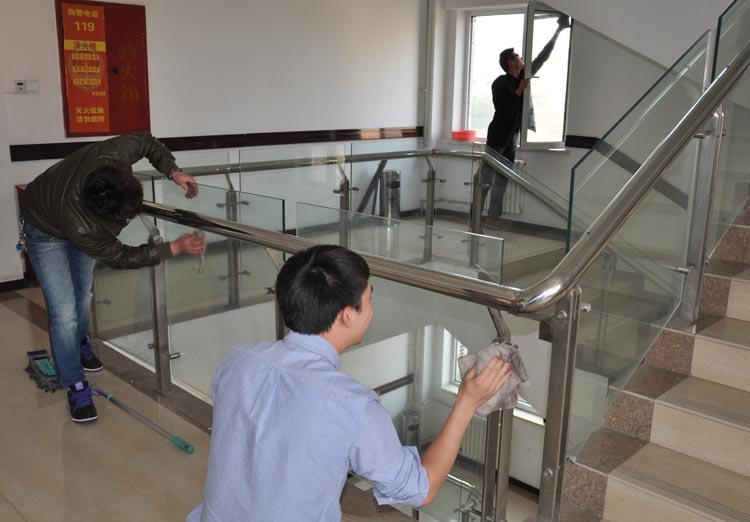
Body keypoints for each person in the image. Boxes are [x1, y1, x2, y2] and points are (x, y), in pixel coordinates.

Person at [187, 245, 512, 522]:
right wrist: (466, 402)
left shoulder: (238, 359)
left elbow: (267, 430)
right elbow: (420, 489)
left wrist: (352, 418)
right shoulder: (352, 406)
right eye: (369, 299)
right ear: (347, 315)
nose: (372, 310)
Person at [20, 131, 206, 423]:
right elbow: (121, 257)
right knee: (64, 311)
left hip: (66, 209)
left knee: (83, 295)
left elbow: (146, 141)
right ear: (102, 215)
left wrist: (173, 171)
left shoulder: (113, 155)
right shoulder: (84, 227)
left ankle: (78, 341)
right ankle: (75, 383)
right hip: (44, 229)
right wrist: (173, 248)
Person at [482, 15, 570, 225]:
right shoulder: (500, 82)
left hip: (512, 137)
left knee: (502, 179)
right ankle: (475, 219)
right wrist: (519, 92)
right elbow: (502, 109)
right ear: (510, 62)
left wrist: (558, 31)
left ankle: (493, 218)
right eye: (518, 56)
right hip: (498, 136)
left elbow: (542, 57)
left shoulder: (522, 77)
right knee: (485, 181)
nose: (522, 58)